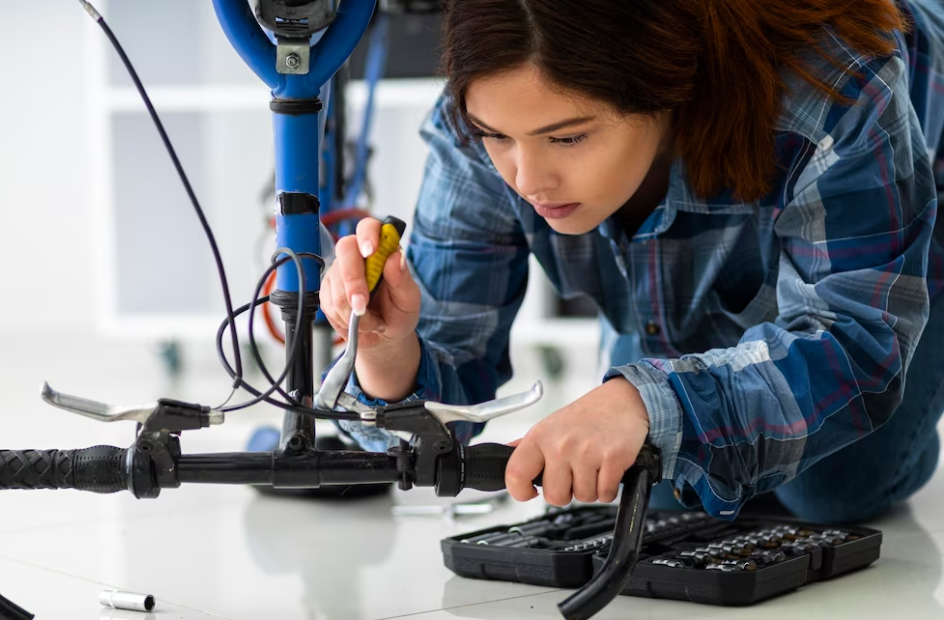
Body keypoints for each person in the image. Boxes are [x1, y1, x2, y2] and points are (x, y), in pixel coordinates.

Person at [319, 0, 944, 524]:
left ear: (665, 87)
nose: (527, 180)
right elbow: (434, 399)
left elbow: (855, 339)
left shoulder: (836, 85)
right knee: (659, 481)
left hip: (898, 215)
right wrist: (386, 355)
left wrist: (648, 405)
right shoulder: (481, 124)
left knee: (830, 488)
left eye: (568, 137)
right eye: (497, 136)